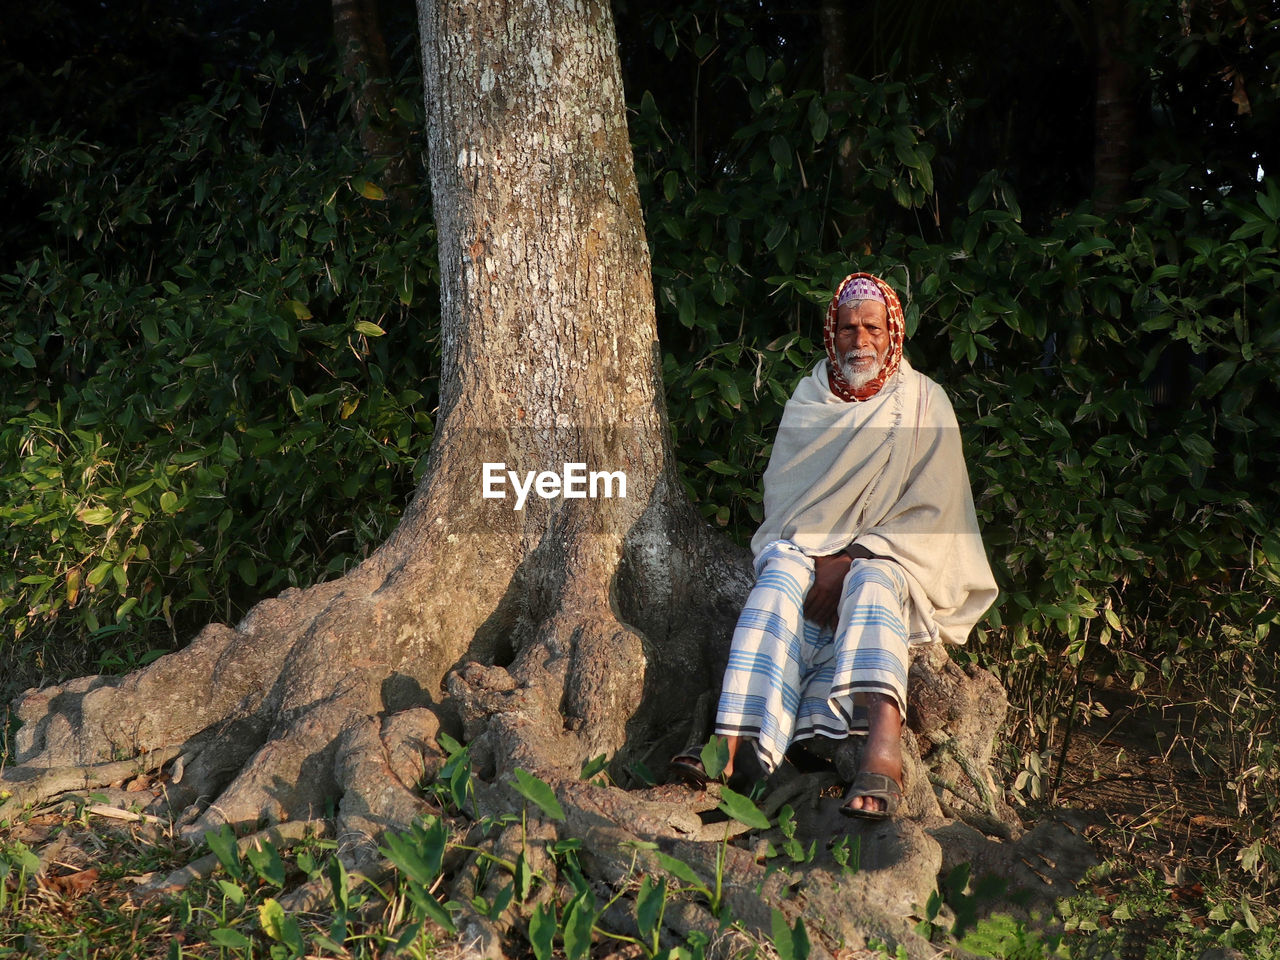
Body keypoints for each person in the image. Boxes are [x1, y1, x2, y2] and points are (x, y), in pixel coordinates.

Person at [672, 271, 997, 819]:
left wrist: (851, 560)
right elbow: (788, 498)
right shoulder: (809, 396)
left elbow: (934, 512)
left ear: (892, 332)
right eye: (848, 328)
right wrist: (819, 561)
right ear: (832, 333)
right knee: (777, 581)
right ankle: (733, 738)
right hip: (805, 549)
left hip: (892, 557)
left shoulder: (924, 402)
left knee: (872, 585)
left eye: (872, 327)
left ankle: (882, 746)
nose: (860, 341)